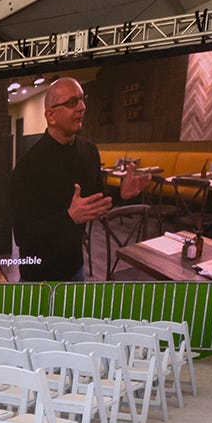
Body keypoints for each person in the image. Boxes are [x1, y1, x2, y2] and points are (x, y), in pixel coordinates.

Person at [10, 77, 128, 282]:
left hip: (75, 268)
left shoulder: (89, 151)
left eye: (82, 99)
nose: (82, 107)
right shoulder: (28, 165)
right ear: (51, 116)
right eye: (72, 102)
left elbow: (96, 202)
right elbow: (22, 235)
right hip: (38, 277)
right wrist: (69, 217)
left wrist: (122, 194)